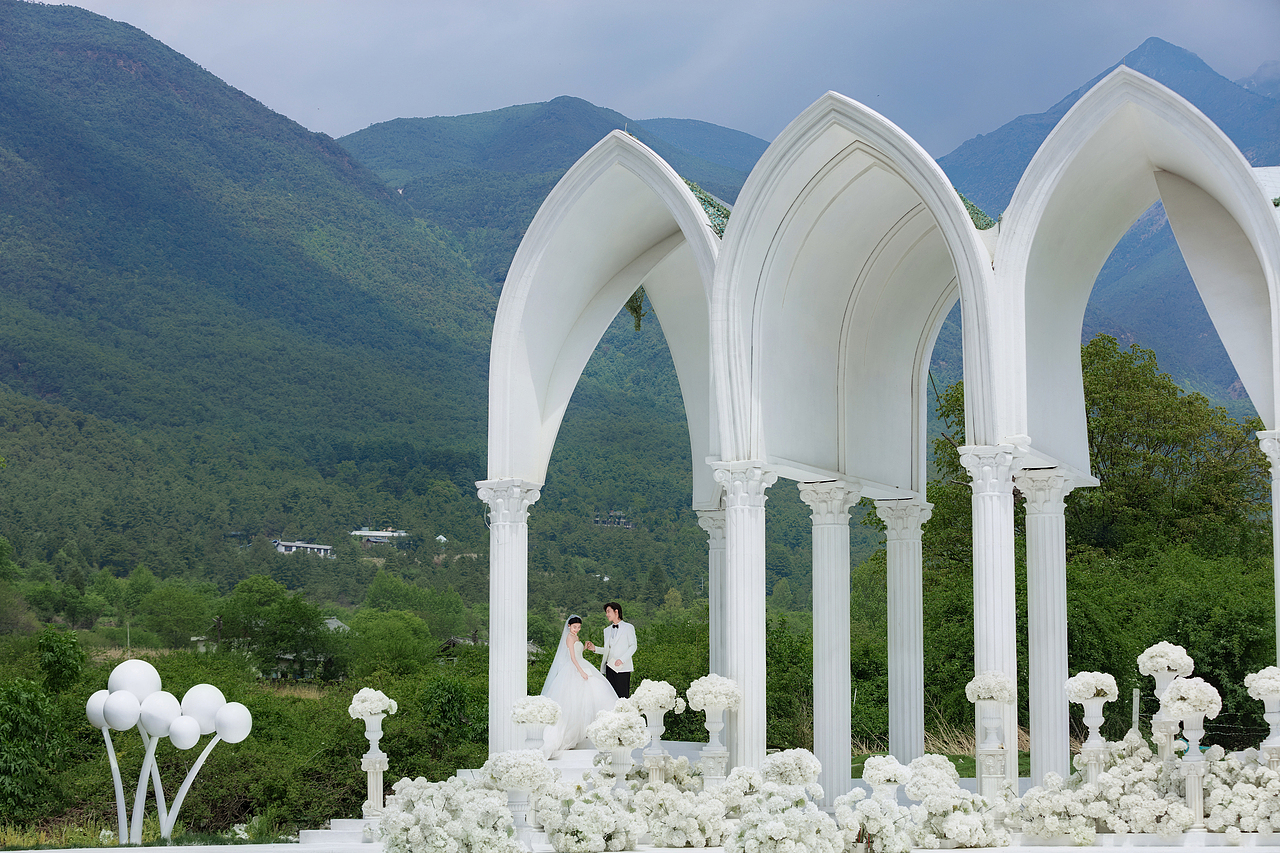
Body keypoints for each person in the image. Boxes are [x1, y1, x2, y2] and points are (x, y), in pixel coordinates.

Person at [539, 615, 619, 758]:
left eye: (579, 627)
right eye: (574, 627)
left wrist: (585, 647)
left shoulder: (576, 637)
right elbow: (572, 657)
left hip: (582, 664)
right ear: (569, 626)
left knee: (594, 692)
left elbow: (577, 653)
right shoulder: (569, 638)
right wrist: (581, 671)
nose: (577, 629)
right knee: (573, 700)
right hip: (574, 668)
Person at [584, 602, 636, 698]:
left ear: (616, 612)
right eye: (606, 612)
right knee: (610, 696)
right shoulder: (607, 630)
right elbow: (607, 650)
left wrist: (622, 659)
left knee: (623, 697)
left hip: (623, 668)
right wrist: (595, 648)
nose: (606, 614)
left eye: (608, 612)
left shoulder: (628, 627)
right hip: (609, 667)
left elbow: (633, 646)